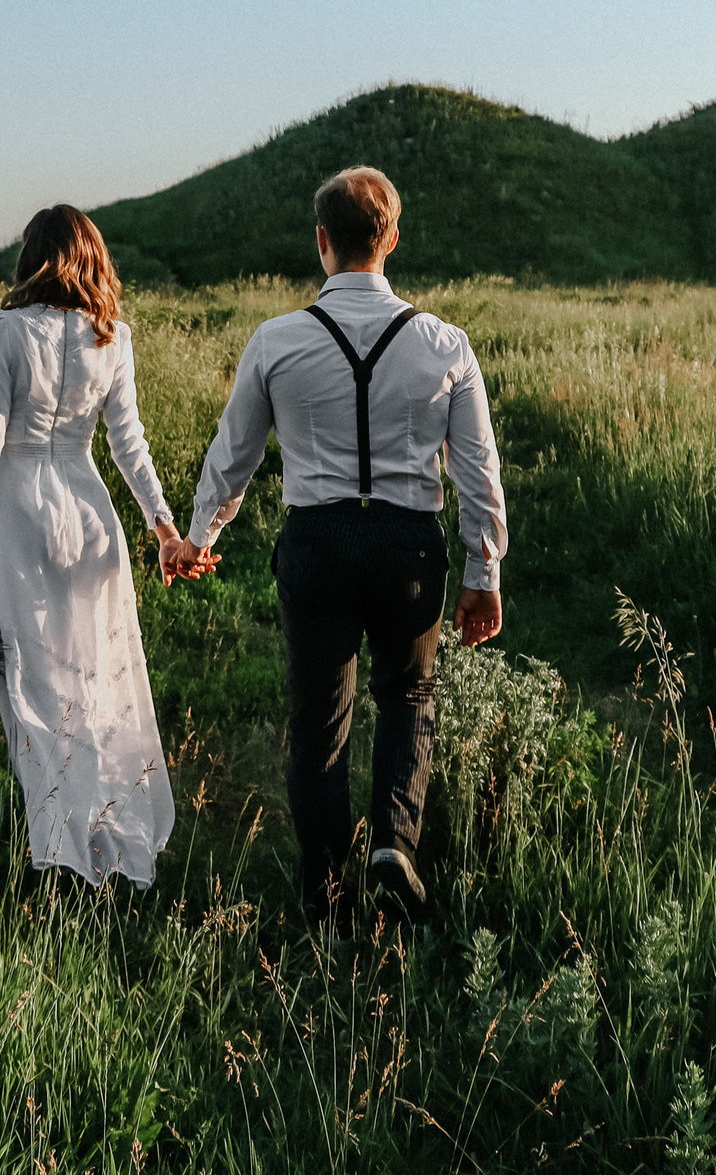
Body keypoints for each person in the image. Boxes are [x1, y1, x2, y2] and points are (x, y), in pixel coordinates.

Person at [182, 166, 507, 933]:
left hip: (317, 542)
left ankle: (328, 903)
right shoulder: (444, 343)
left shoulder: (276, 340)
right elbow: (478, 468)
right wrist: (482, 570)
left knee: (318, 723)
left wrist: (199, 539)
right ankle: (394, 844)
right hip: (408, 547)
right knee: (409, 696)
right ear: (391, 239)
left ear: (322, 242)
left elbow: (234, 457)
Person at [0, 205, 204, 889]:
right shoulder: (114, 336)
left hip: (24, 519)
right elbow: (128, 445)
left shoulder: (7, 330)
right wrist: (164, 528)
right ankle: (91, 838)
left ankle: (59, 849)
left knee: (29, 684)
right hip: (89, 513)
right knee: (91, 681)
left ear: (34, 257)